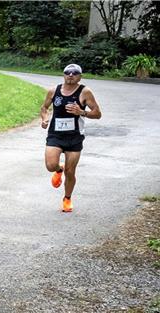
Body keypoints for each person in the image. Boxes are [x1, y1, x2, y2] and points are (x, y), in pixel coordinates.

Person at [40, 63, 102, 212]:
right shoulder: (53, 91)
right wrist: (44, 119)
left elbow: (97, 113)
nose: (71, 75)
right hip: (55, 134)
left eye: (75, 73)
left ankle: (67, 198)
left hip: (74, 136)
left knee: (71, 171)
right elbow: (44, 108)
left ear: (80, 76)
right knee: (50, 166)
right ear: (63, 74)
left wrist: (81, 112)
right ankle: (58, 169)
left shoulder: (85, 92)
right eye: (68, 72)